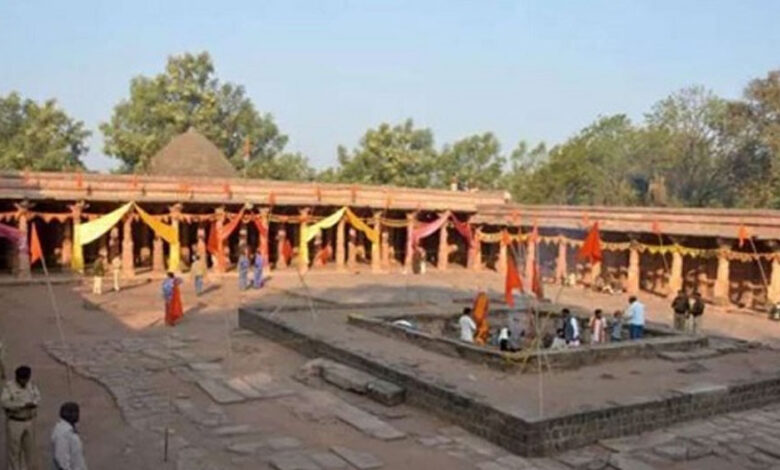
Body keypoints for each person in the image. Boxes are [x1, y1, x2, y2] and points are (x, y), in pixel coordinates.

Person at [2, 366, 41, 470]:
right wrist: (22, 405)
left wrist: (34, 403)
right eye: (22, 379)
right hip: (15, 421)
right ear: (17, 378)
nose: (24, 381)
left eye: (26, 379)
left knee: (30, 450)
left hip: (29, 420)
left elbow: (37, 397)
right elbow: (5, 403)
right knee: (14, 451)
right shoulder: (9, 387)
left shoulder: (31, 385)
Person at [51, 402, 87, 470]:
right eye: (75, 412)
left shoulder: (69, 430)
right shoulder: (62, 433)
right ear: (66, 414)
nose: (78, 415)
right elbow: (61, 460)